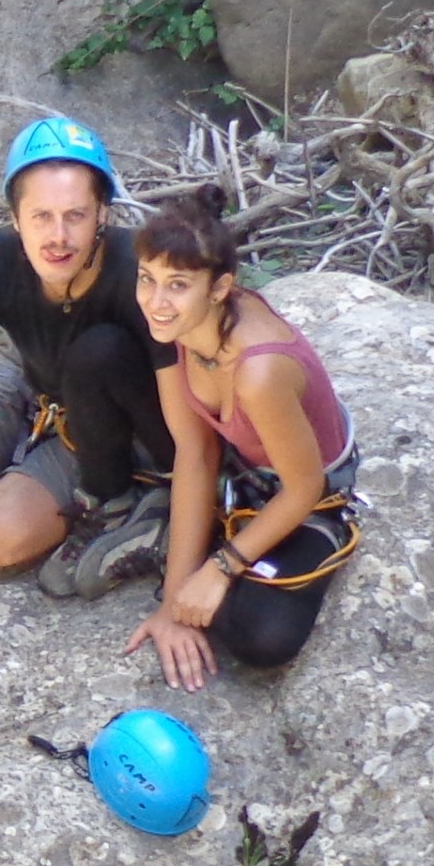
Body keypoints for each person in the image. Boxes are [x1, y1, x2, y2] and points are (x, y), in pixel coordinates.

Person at [0, 117, 176, 593]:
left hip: (100, 417)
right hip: (22, 377)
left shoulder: (138, 275)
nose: (58, 236)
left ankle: (27, 465)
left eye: (75, 215)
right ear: (16, 218)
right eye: (41, 216)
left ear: (102, 214)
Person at [124, 187, 362, 690]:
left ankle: (181, 542)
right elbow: (195, 451)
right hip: (242, 473)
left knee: (264, 638)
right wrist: (173, 604)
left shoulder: (259, 372)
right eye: (147, 279)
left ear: (219, 289)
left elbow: (306, 488)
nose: (156, 302)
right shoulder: (176, 326)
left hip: (307, 495)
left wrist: (219, 569)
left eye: (177, 285)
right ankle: (178, 544)